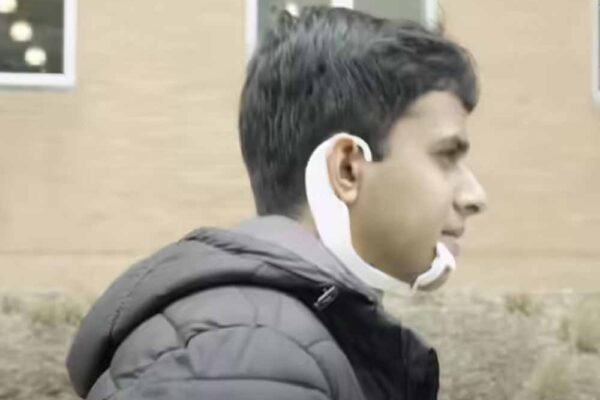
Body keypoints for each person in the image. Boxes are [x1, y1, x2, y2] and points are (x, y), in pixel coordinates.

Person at [67, 6, 486, 400]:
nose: (474, 196)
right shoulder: (241, 354)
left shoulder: (275, 339)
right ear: (347, 170)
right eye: (447, 156)